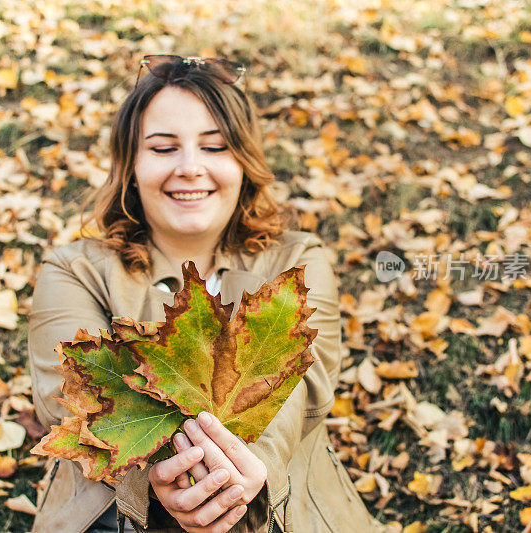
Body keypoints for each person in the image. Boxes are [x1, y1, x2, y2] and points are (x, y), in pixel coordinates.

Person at [28, 55, 384, 533]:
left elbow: (302, 382)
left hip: (278, 510)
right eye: (163, 148)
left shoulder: (295, 262)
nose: (191, 168)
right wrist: (160, 481)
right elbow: (73, 393)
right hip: (115, 514)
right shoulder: (75, 271)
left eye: (215, 147)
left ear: (243, 163)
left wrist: (244, 476)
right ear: (131, 165)